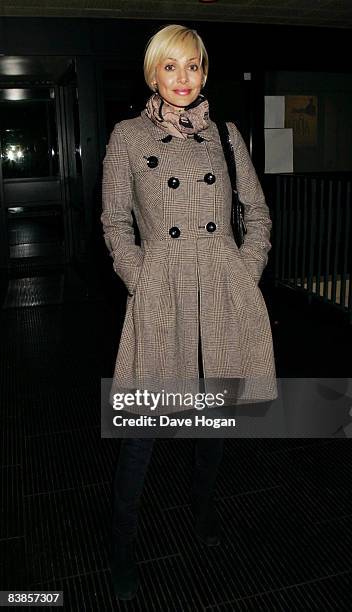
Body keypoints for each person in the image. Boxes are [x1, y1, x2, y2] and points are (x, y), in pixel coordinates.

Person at [101, 24, 276, 601]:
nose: (183, 79)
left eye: (194, 66)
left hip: (221, 292)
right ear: (154, 74)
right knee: (144, 431)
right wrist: (139, 276)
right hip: (162, 294)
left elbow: (257, 212)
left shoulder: (226, 136)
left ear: (205, 73)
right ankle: (122, 550)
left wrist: (243, 270)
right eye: (171, 67)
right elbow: (113, 221)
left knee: (213, 422)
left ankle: (201, 517)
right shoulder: (127, 136)